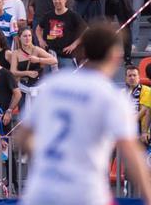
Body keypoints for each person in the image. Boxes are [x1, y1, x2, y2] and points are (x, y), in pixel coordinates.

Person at [19, 24, 151, 205]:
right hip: (83, 193)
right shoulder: (111, 97)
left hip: (40, 191)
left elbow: (22, 137)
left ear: (83, 51)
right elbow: (131, 154)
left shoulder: (54, 83)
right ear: (115, 56)